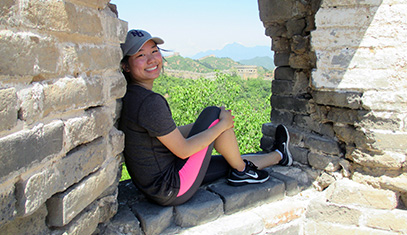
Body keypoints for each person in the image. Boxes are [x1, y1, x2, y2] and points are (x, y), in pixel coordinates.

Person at [119, 29, 292, 206]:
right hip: (172, 187)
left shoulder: (132, 95)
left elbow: (170, 135)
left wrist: (206, 126)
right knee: (214, 113)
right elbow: (184, 150)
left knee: (231, 161)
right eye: (141, 55)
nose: (151, 59)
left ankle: (279, 155)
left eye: (154, 51)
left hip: (157, 185)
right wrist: (220, 125)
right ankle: (242, 172)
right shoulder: (149, 102)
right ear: (126, 65)